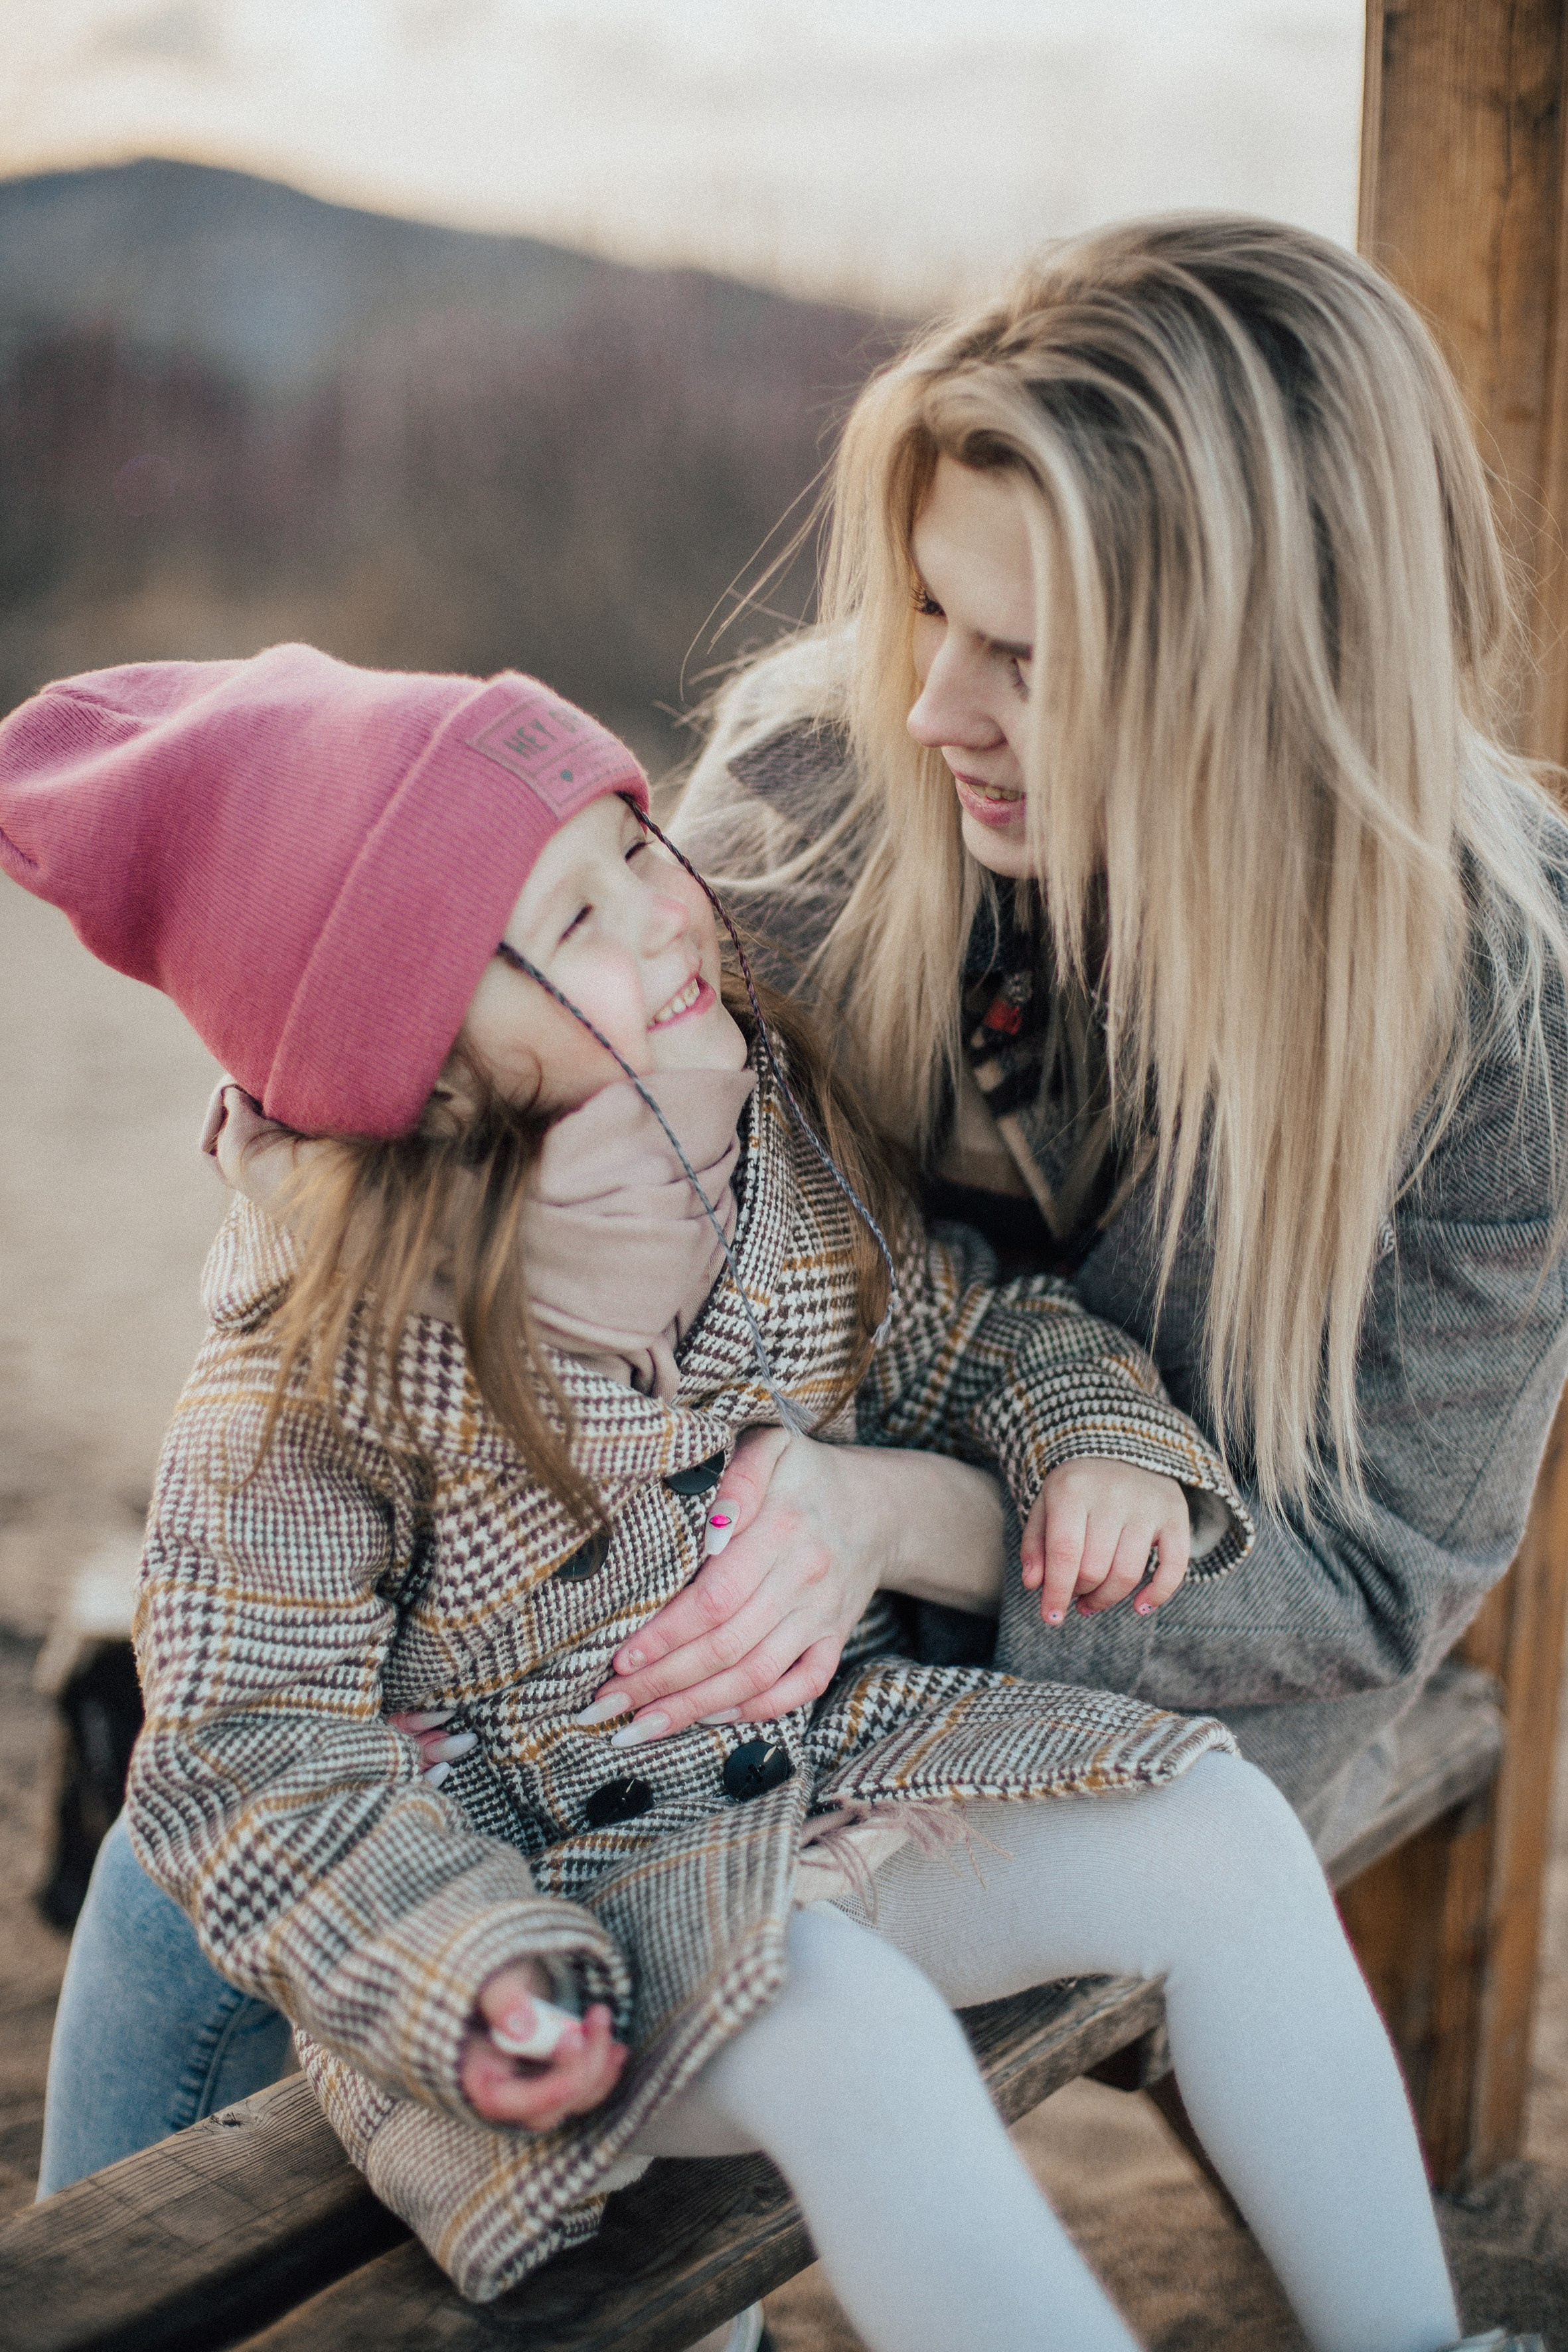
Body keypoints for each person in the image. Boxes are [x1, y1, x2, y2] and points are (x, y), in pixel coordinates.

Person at [1, 647, 1499, 2352]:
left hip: (831, 1783)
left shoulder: (752, 1132)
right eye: (574, 921)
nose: (659, 916)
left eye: (633, 843)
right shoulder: (310, 1383)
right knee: (850, 2021)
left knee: (1218, 1833)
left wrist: (1085, 1440)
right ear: (419, 1058)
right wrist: (474, 1970)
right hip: (562, 1914)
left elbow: (951, 1322)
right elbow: (249, 1757)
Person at [581, 212, 1568, 1872]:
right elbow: (609, 1218)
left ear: (1262, 680)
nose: (929, 709)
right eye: (924, 610)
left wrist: (893, 1516)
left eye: (1028, 661)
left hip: (1175, 1720)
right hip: (725, 1623)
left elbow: (1369, 1576)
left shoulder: (1502, 997)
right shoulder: (821, 782)